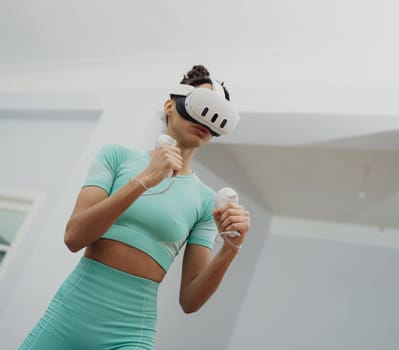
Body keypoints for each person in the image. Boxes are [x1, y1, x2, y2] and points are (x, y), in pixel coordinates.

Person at [19, 65, 251, 350]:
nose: (207, 119)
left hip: (130, 332)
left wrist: (231, 248)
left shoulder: (205, 201)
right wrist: (144, 180)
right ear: (170, 105)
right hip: (68, 316)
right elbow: (74, 237)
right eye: (202, 104)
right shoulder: (116, 158)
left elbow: (190, 301)